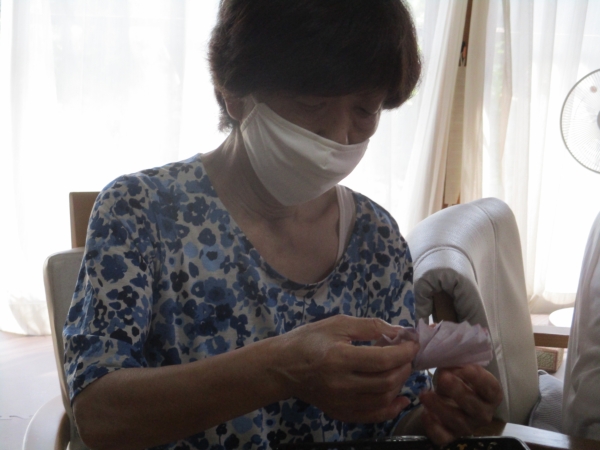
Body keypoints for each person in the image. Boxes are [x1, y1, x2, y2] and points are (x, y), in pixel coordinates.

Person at [64, 1, 503, 449]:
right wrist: (282, 368)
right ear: (234, 93)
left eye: (365, 110)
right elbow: (98, 415)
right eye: (312, 104)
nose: (339, 136)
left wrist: (434, 417)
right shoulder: (140, 212)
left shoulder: (376, 239)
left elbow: (388, 420)